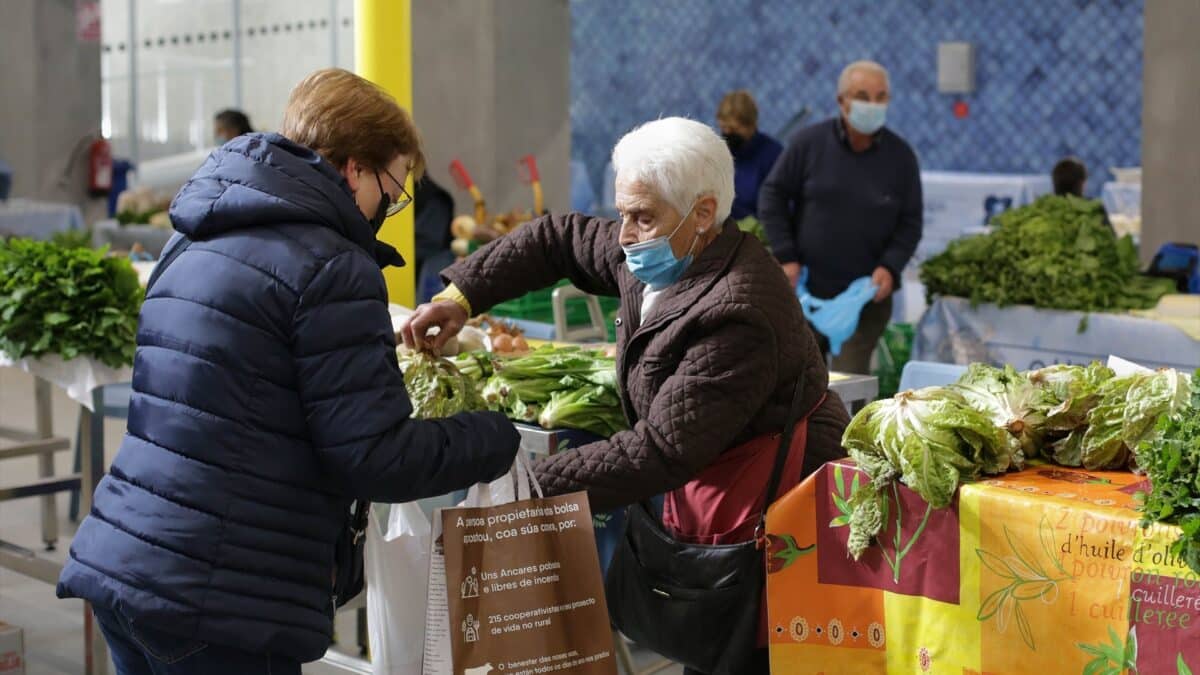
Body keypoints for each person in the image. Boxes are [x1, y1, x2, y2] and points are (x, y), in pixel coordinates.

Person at [57, 68, 520, 673]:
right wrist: (494, 433)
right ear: (354, 168)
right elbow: (376, 455)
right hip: (223, 600)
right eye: (393, 189)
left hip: (128, 561)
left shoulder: (194, 233)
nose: (390, 208)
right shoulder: (334, 266)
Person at [403, 117, 849, 674]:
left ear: (703, 213)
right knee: (709, 647)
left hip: (772, 516)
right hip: (715, 486)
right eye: (622, 214)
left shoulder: (739, 311)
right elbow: (557, 238)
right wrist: (461, 295)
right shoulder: (660, 256)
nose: (625, 234)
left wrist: (527, 484)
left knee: (742, 648)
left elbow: (659, 450)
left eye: (643, 217)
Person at [758, 60, 922, 374]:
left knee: (849, 384)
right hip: (805, 294)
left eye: (880, 97)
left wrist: (890, 266)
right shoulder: (808, 144)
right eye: (862, 95)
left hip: (866, 300)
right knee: (799, 382)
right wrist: (786, 255)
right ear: (841, 101)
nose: (872, 105)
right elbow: (772, 195)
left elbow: (910, 222)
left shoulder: (901, 157)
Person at [716, 90, 783, 220]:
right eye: (724, 128)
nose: (728, 134)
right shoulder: (717, 154)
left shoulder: (773, 155)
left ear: (751, 125)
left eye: (734, 129)